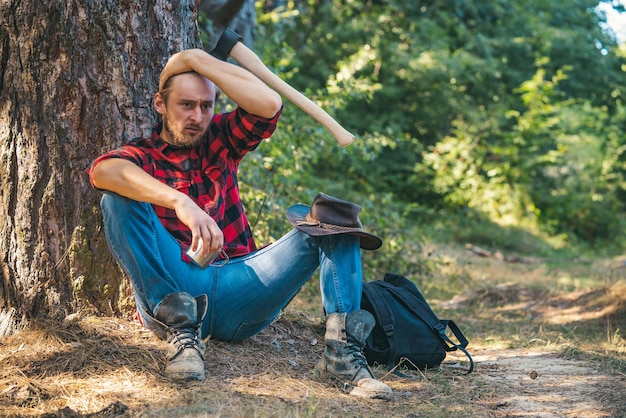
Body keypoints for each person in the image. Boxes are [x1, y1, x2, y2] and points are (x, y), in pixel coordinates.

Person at [88, 48, 392, 400]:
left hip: (242, 288)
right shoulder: (144, 155)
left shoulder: (222, 139)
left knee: (332, 220)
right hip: (178, 285)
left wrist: (194, 60)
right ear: (160, 104)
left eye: (206, 105)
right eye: (186, 105)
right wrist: (179, 201)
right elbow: (103, 171)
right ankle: (183, 336)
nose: (197, 116)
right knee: (116, 198)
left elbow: (267, 103)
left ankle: (343, 354)